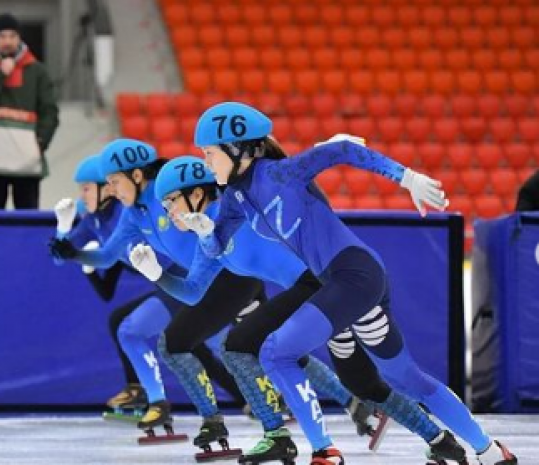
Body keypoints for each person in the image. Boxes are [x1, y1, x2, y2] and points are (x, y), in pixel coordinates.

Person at [184, 101, 518, 465]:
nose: (205, 162)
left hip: (353, 273)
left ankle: (325, 452)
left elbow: (344, 149)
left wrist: (406, 177)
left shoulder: (281, 173)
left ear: (239, 150)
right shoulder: (236, 197)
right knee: (405, 378)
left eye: (209, 153)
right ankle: (490, 451)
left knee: (275, 351)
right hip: (346, 280)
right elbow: (216, 246)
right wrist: (203, 232)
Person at [129, 156, 468, 464]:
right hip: (309, 287)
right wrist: (157, 274)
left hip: (323, 281)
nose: (168, 211)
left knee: (239, 346)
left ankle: (281, 436)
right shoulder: (210, 236)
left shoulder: (237, 208)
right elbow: (191, 293)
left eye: (171, 201)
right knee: (362, 383)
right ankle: (439, 440)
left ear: (196, 194)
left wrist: (397, 174)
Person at [49, 140, 257, 455]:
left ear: (135, 176)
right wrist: (72, 249)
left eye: (113, 183)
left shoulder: (163, 197)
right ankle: (246, 402)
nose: (112, 191)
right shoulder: (130, 214)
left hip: (217, 275)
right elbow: (104, 258)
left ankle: (189, 404)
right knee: (213, 344)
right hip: (186, 281)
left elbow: (213, 203)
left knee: (218, 343)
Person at [0, 13, 59, 210]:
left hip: (27, 160)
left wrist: (41, 142)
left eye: (12, 36)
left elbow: (49, 110)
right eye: (2, 36)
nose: (7, 41)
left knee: (27, 220)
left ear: (19, 39)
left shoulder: (36, 70)